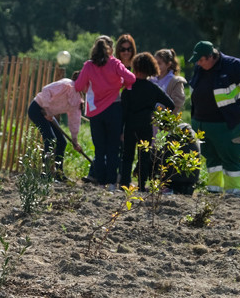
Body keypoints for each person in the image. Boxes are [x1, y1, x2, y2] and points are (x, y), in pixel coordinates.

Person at [188, 40, 240, 197]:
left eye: (201, 60)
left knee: (231, 158)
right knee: (211, 159)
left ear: (211, 56)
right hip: (202, 122)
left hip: (228, 124)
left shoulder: (234, 65)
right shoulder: (199, 68)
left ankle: (234, 192)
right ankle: (214, 189)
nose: (199, 64)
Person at [74, 35, 136, 190]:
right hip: (114, 109)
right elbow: (132, 78)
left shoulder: (88, 65)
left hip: (95, 112)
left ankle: (101, 183)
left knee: (100, 149)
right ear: (111, 49)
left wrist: (90, 85)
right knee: (113, 148)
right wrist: (121, 84)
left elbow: (78, 86)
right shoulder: (115, 63)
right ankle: (112, 184)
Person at [120, 53, 175, 191]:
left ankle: (125, 184)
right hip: (146, 124)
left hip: (130, 125)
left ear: (135, 67)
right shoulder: (153, 88)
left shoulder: (128, 88)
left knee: (127, 156)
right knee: (144, 156)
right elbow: (171, 104)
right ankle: (141, 186)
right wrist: (155, 110)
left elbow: (123, 112)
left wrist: (121, 130)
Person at [28, 72, 83, 181]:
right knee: (50, 139)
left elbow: (74, 120)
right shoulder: (66, 84)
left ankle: (59, 174)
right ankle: (45, 174)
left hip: (48, 115)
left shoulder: (77, 99)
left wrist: (75, 141)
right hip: (38, 109)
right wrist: (47, 110)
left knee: (62, 141)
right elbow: (46, 89)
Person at [150, 49, 187, 114]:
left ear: (168, 64)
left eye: (159, 63)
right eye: (154, 63)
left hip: (166, 120)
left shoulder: (175, 82)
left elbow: (177, 104)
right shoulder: (150, 79)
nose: (156, 66)